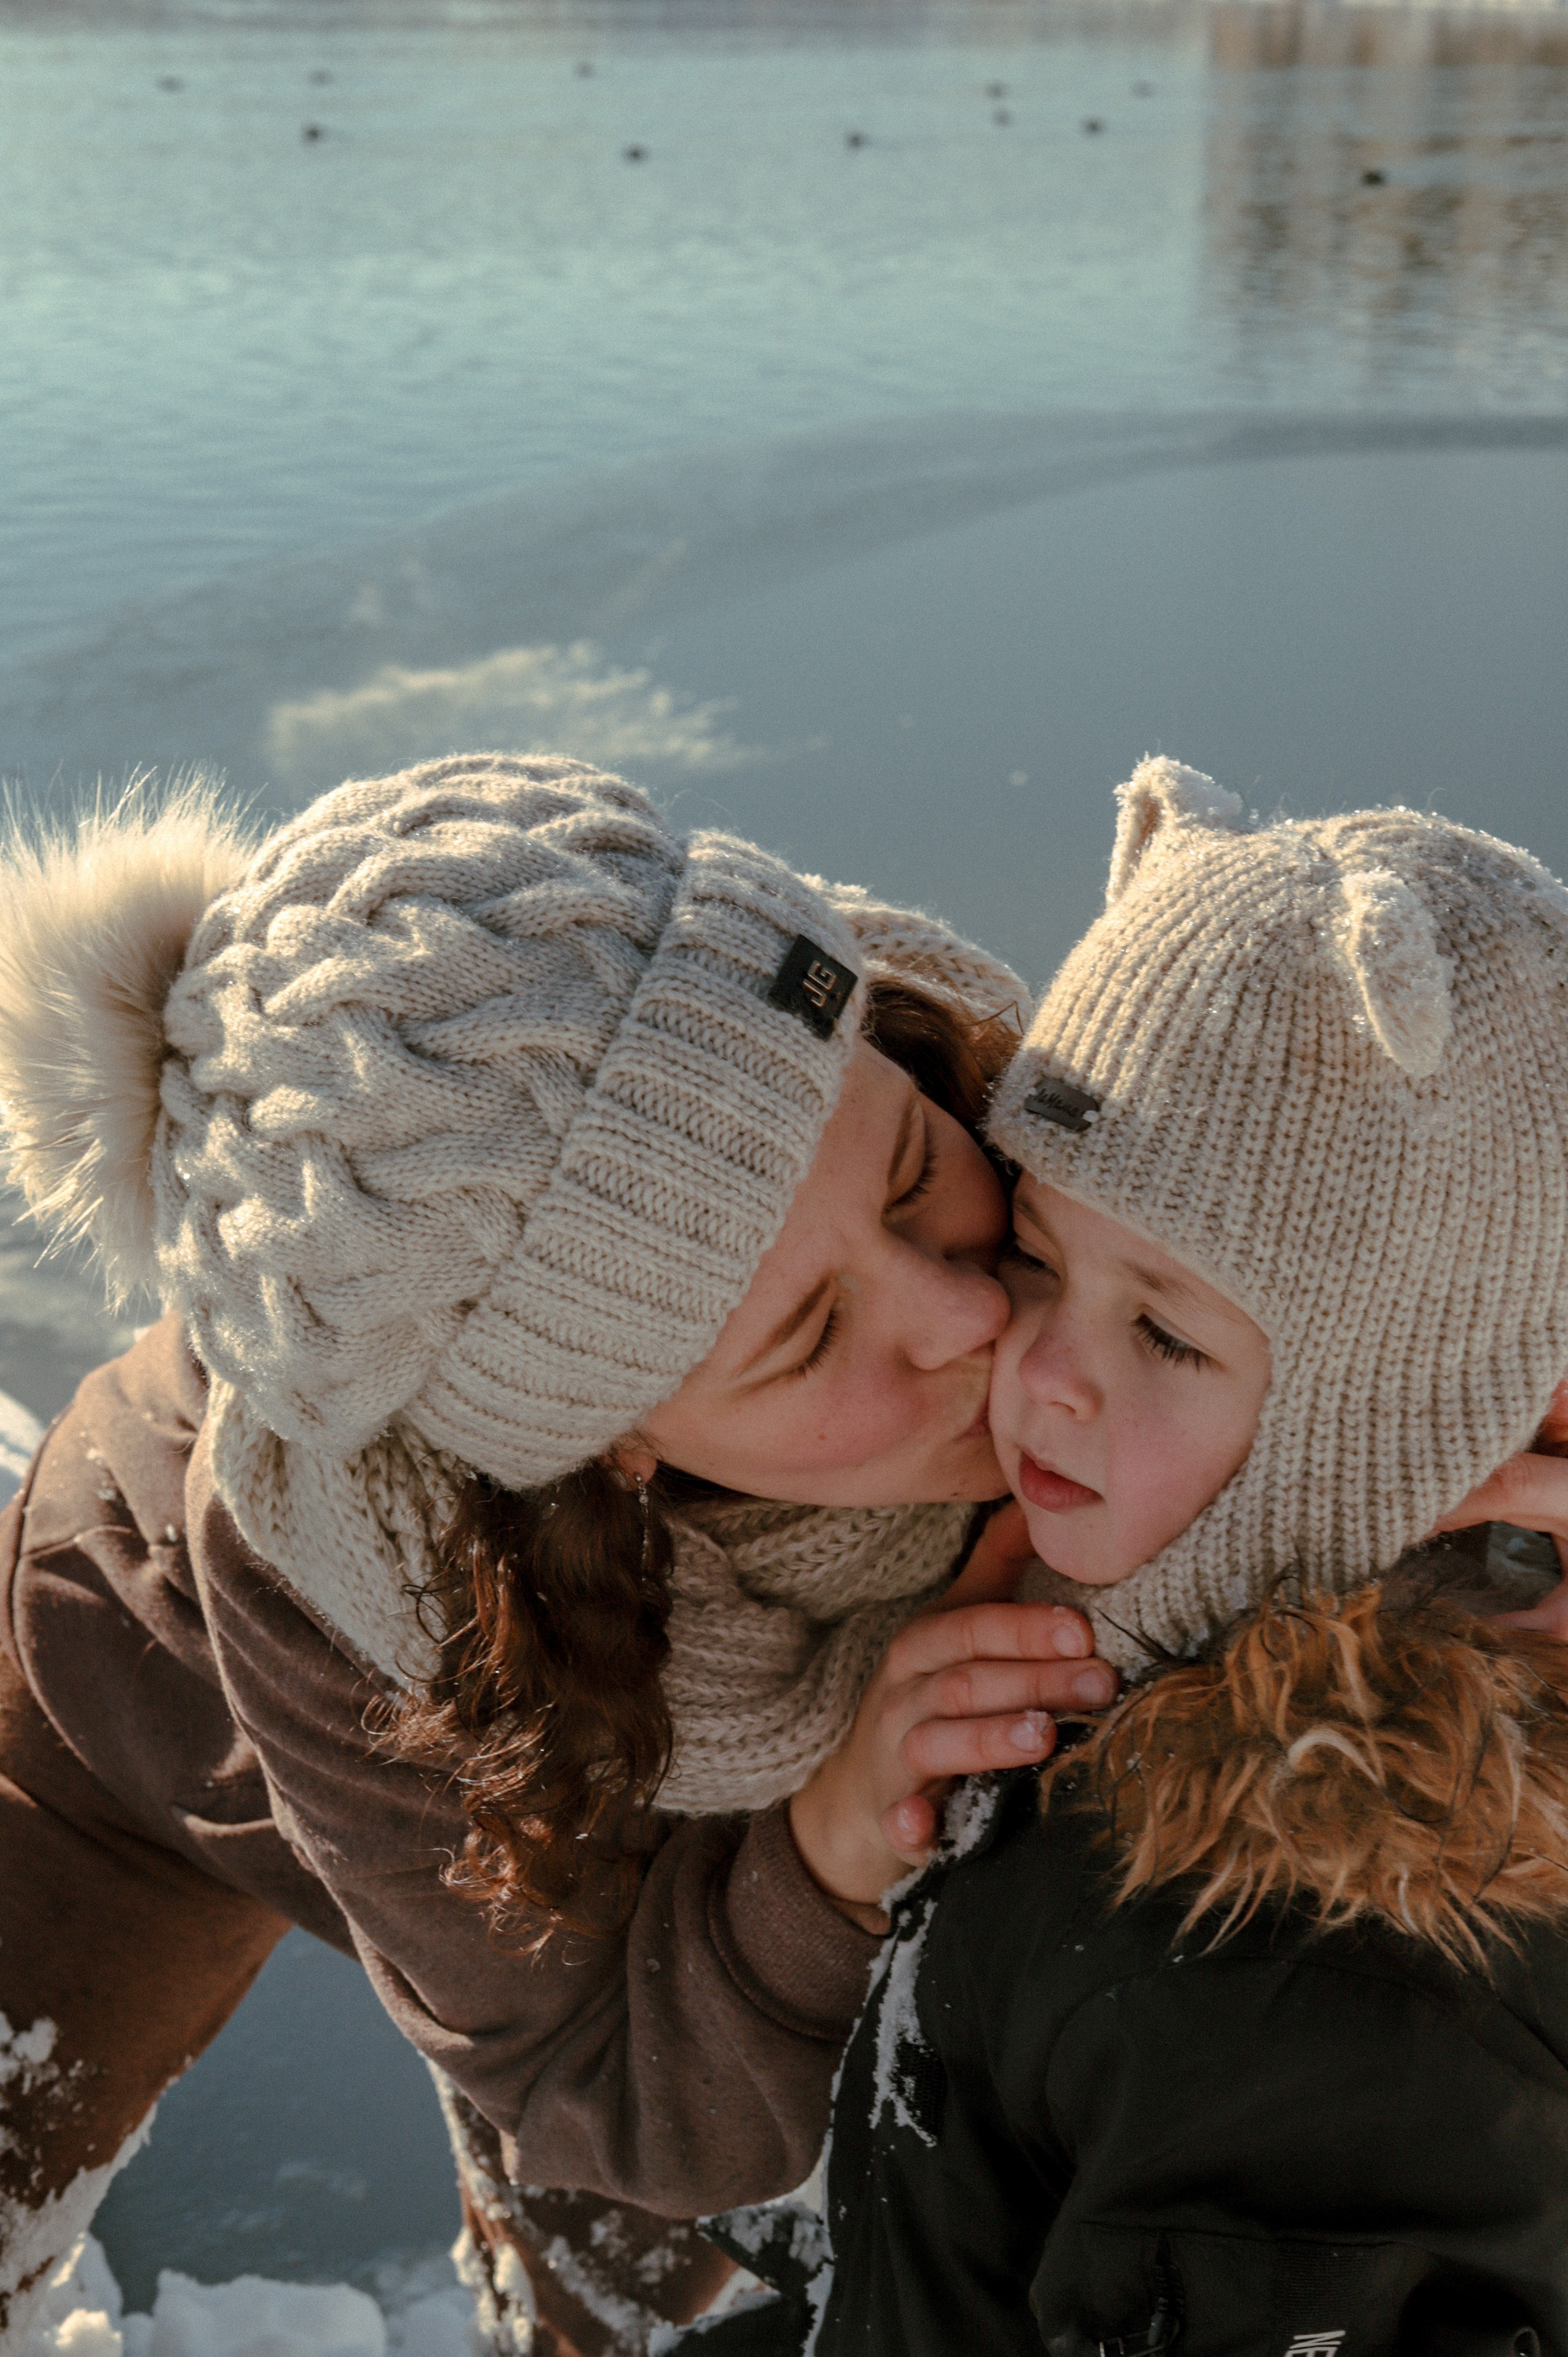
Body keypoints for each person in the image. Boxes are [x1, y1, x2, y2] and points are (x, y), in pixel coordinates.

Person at [0, 754, 1121, 2357]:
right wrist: (816, 1854)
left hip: (599, 1776)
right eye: (810, 1336)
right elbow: (589, 2073)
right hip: (155, 1711)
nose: (967, 1308)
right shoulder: (357, 1582)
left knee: (613, 2272)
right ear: (621, 1443)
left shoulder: (986, 1081)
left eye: (904, 1171)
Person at [699, 762, 1568, 2357]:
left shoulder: (1296, 1962)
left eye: (1164, 1324)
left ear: (1385, 1417)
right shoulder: (1133, 1642)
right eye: (1036, 1251)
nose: (1039, 1366)